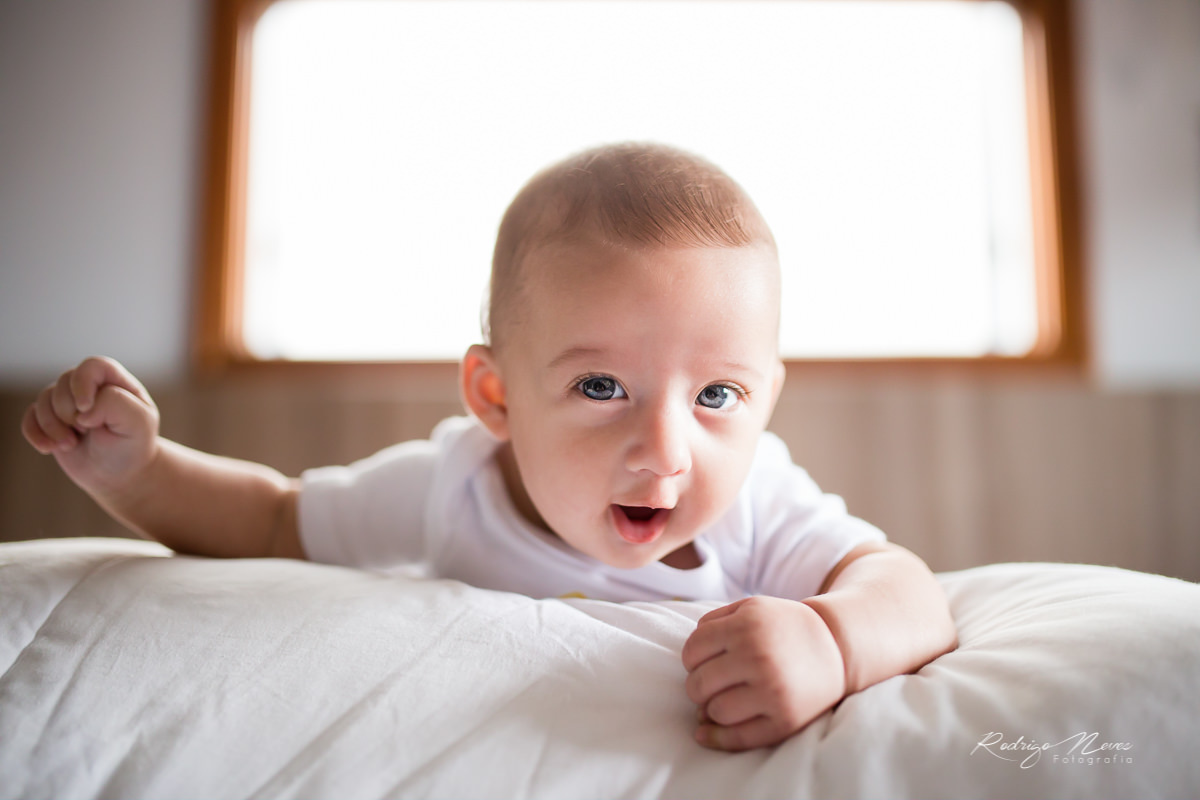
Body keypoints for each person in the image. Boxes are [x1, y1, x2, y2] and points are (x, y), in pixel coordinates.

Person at [21, 142, 957, 752]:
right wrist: (136, 471)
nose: (663, 450)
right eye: (601, 389)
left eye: (719, 395)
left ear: (767, 401)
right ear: (494, 396)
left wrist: (831, 644)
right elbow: (271, 521)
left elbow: (909, 591)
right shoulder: (454, 485)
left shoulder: (760, 505)